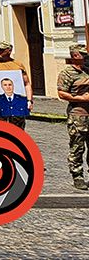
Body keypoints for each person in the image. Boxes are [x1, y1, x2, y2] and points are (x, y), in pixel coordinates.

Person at [56, 44, 89, 190]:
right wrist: (81, 99)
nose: (85, 56)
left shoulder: (87, 70)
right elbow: (62, 93)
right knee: (77, 147)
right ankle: (77, 176)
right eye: (82, 54)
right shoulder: (67, 73)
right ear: (75, 55)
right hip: (78, 115)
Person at [0, 41, 33, 129]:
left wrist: (29, 100)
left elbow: (27, 84)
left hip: (17, 103)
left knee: (18, 130)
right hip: (0, 102)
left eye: (1, 50)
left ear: (9, 50)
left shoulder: (18, 65)